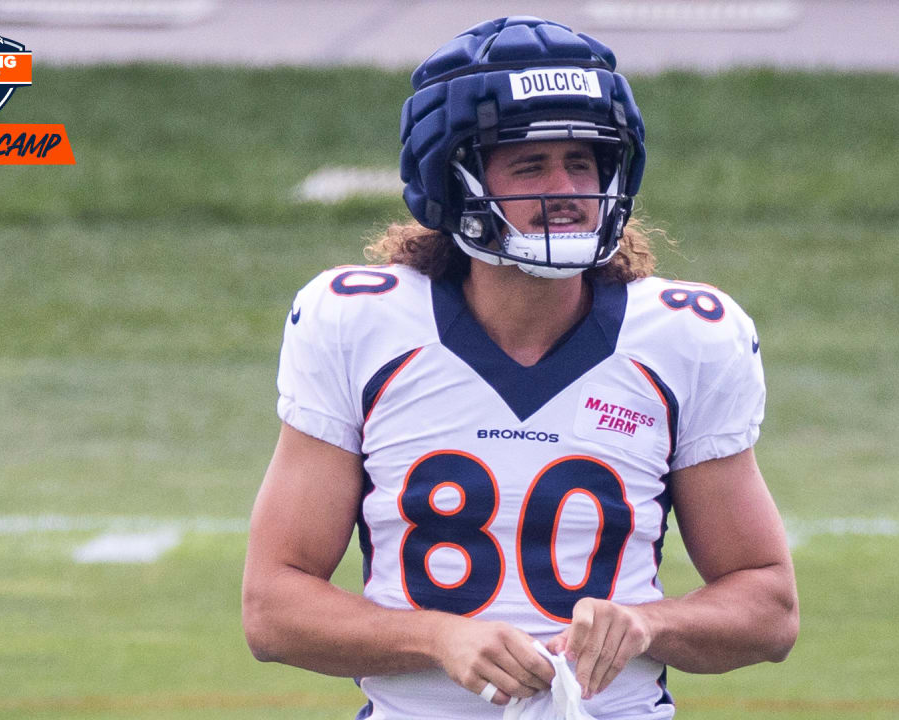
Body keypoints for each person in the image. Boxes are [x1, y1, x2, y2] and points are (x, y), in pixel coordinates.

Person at [242, 15, 798, 720]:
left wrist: (651, 623)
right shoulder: (359, 324)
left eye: (584, 162)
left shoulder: (686, 337)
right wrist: (436, 637)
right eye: (530, 165)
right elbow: (274, 608)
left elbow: (768, 606)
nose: (565, 189)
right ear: (453, 178)